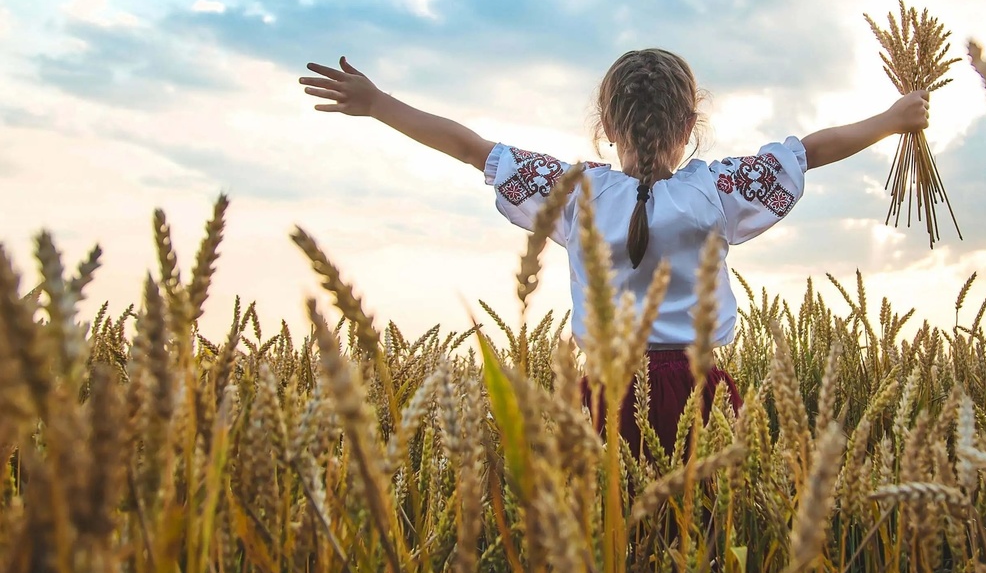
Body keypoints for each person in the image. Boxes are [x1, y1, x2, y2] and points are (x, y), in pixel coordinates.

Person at [298, 49, 929, 457]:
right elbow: (811, 149)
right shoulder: (715, 190)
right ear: (690, 128)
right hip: (701, 392)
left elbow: (472, 148)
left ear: (606, 126)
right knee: (700, 546)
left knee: (608, 550)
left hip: (600, 395)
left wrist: (378, 103)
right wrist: (892, 118)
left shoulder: (578, 193)